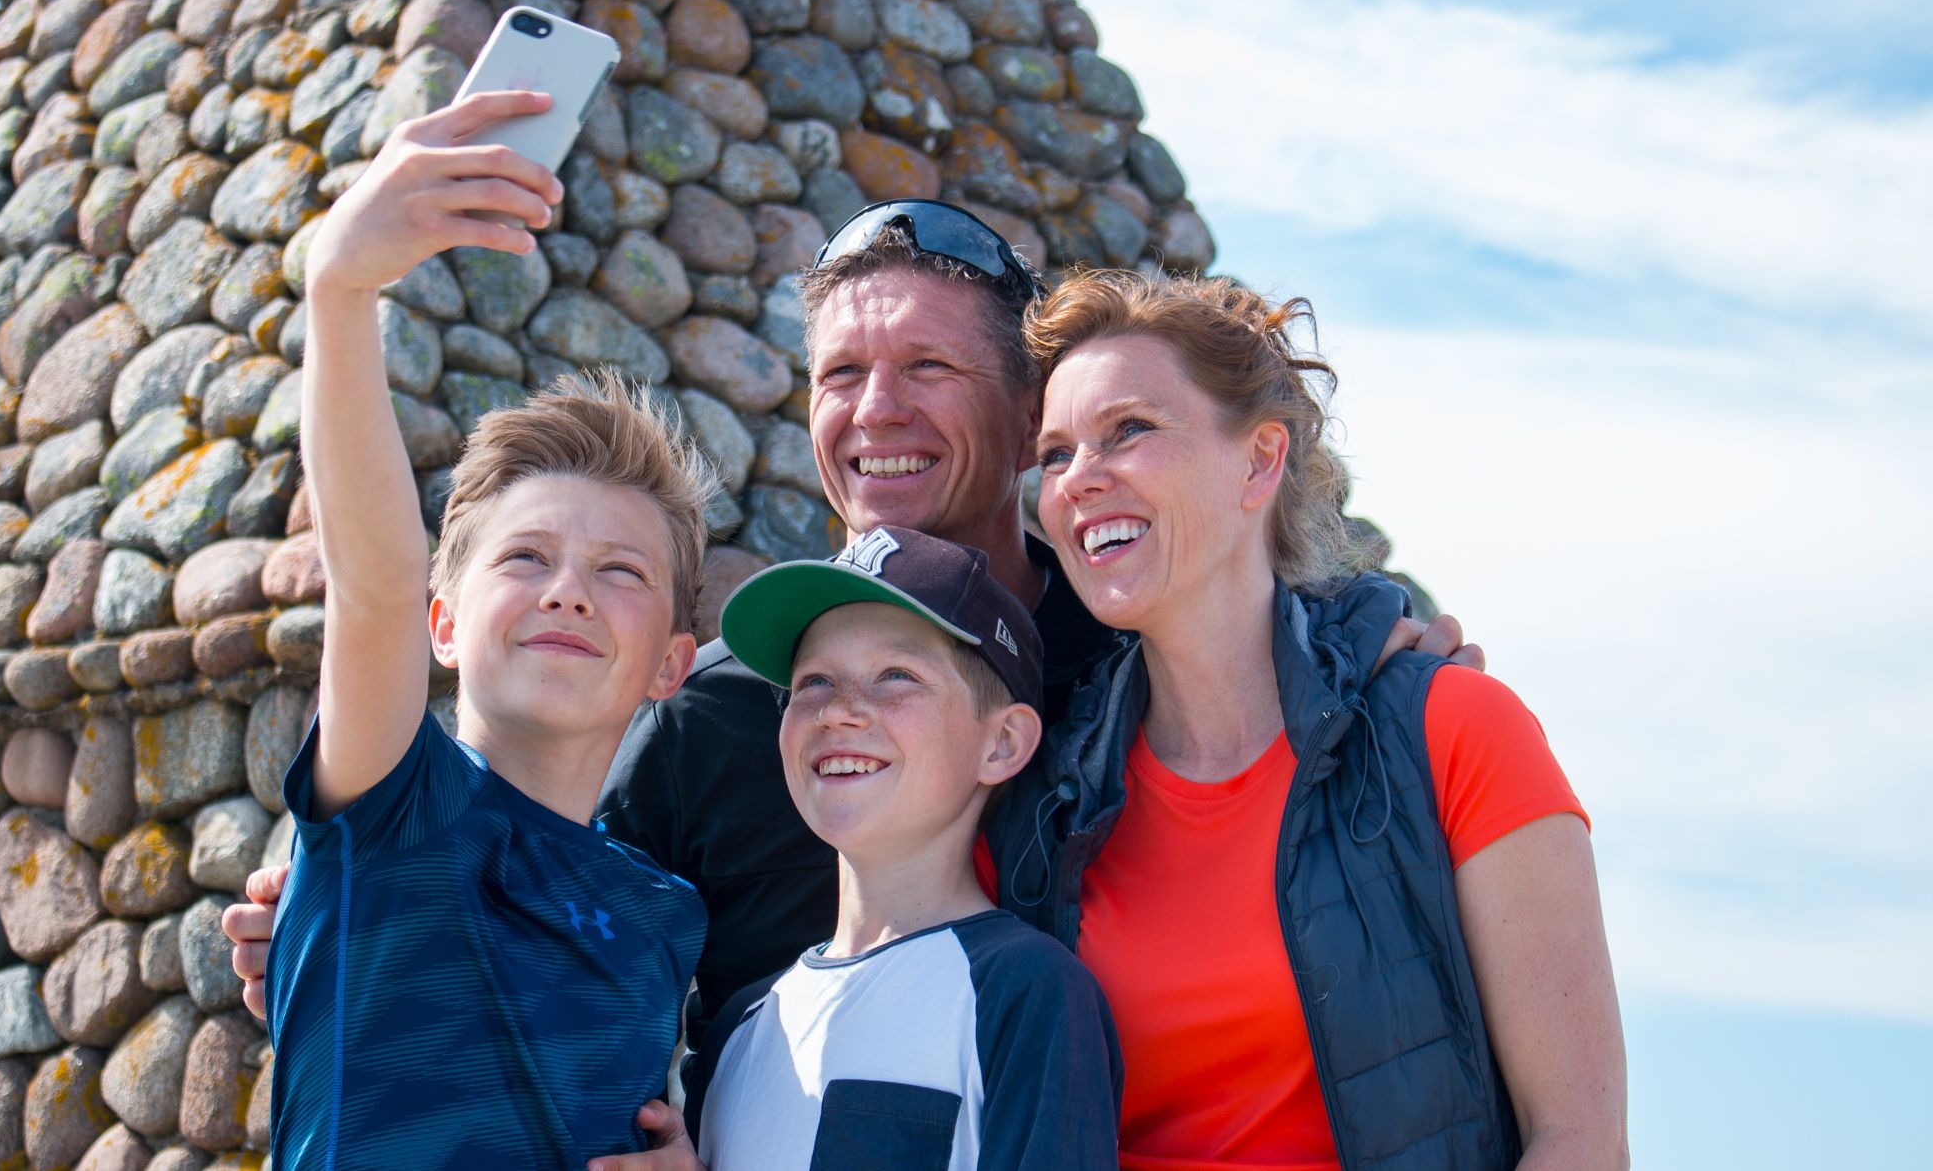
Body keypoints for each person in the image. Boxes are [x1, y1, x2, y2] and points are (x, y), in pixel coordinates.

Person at [226, 200, 1478, 1074]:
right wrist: (345, 894)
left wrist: (1367, 655)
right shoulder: (719, 714)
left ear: (1026, 405)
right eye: (837, 376)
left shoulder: (1147, 659)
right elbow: (534, 908)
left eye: (928, 366)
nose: (875, 411)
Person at [991, 268, 1627, 1170]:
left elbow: (1582, 1139)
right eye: (1055, 454)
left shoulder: (1457, 731)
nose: (1079, 480)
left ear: (1260, 461)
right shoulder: (1042, 808)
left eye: (1127, 430)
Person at [263, 91, 712, 1169]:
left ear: (669, 666)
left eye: (619, 573)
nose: (567, 593)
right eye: (525, 558)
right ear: (443, 623)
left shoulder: (664, 918)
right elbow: (369, 582)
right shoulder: (393, 806)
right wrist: (340, 285)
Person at [671, 526, 1122, 1171]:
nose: (839, 711)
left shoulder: (1025, 993)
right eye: (813, 682)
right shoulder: (743, 1023)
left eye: (895, 675)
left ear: (1002, 744)